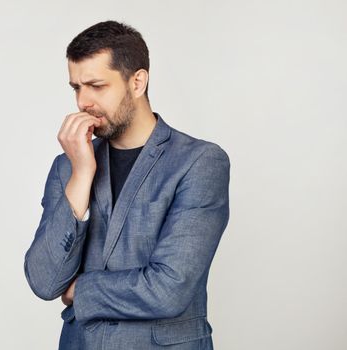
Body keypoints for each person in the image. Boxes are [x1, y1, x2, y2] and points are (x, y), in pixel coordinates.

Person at [24, 20, 230, 350]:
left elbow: (169, 289)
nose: (83, 102)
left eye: (96, 86)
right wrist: (81, 176)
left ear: (137, 82)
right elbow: (45, 280)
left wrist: (82, 290)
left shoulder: (200, 162)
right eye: (76, 87)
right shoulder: (68, 164)